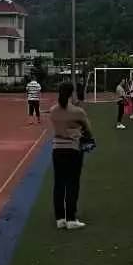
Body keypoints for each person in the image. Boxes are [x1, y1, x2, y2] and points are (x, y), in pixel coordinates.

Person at [49, 82, 91, 230]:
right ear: (71, 94)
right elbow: (87, 127)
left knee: (59, 183)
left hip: (57, 149)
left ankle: (60, 218)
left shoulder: (53, 111)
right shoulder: (78, 111)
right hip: (73, 149)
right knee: (72, 183)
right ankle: (71, 218)